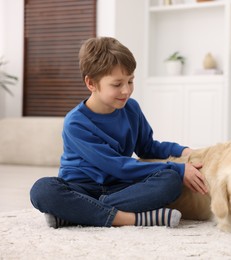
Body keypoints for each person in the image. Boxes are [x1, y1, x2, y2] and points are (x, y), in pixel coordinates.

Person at [30, 37, 208, 229]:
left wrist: (184, 151)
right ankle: (131, 219)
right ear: (91, 83)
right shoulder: (75, 122)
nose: (126, 90)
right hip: (81, 188)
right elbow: (118, 166)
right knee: (42, 190)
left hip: (120, 188)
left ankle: (76, 215)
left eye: (130, 81)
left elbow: (147, 147)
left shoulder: (131, 108)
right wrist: (177, 168)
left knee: (170, 182)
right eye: (117, 84)